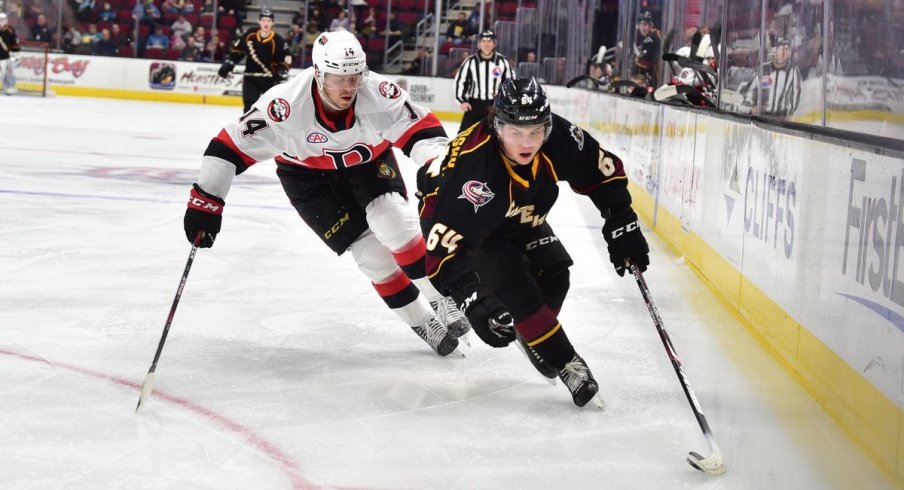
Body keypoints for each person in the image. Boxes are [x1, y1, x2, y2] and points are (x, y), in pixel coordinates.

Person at [183, 30, 472, 357]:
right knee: (373, 258)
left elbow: (425, 134)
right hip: (307, 179)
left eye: (355, 76)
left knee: (393, 221)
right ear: (319, 73)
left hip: (367, 163)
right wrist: (206, 202)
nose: (350, 87)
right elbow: (227, 148)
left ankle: (439, 296)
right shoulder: (285, 107)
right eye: (339, 78)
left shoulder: (377, 92)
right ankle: (422, 322)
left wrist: (440, 171)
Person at [416, 77, 650, 407]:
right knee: (518, 289)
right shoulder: (475, 172)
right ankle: (567, 361)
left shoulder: (555, 137)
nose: (527, 143)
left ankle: (535, 334)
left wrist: (621, 218)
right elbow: (442, 251)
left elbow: (601, 169)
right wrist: (473, 298)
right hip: (465, 221)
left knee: (556, 272)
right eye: (515, 132)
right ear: (497, 127)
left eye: (535, 132)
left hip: (519, 213)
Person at [218, 7, 291, 112]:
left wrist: (282, 69)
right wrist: (229, 63)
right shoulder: (249, 35)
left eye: (269, 20)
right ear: (259, 21)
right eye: (264, 20)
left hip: (270, 79)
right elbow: (238, 51)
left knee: (270, 109)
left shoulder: (278, 41)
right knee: (249, 104)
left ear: (273, 23)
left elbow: (286, 59)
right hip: (250, 76)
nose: (266, 23)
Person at [452, 29, 513, 134]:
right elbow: (460, 81)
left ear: (494, 44)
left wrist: (506, 101)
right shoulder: (470, 61)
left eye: (489, 41)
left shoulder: (502, 61)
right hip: (474, 104)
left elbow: (510, 82)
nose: (486, 44)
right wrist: (462, 101)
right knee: (464, 134)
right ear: (479, 44)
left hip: (495, 105)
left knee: (496, 135)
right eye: (483, 41)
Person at [747, 37, 801, 119]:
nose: (782, 52)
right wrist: (752, 105)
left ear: (789, 53)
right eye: (779, 48)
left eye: (786, 49)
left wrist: (791, 113)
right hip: (761, 117)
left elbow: (796, 93)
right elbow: (752, 89)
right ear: (775, 51)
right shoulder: (764, 68)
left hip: (781, 119)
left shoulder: (793, 71)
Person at [631, 11, 661, 88]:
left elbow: (644, 62)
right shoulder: (654, 34)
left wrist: (636, 61)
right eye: (640, 24)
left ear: (651, 25)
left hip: (655, 77)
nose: (642, 27)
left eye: (645, 24)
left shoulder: (651, 37)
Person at [0, 12, 21, 95]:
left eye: (2, 19)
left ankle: (8, 88)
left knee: (6, 73)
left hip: (6, 56)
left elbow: (15, 43)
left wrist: (15, 53)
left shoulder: (10, 30)